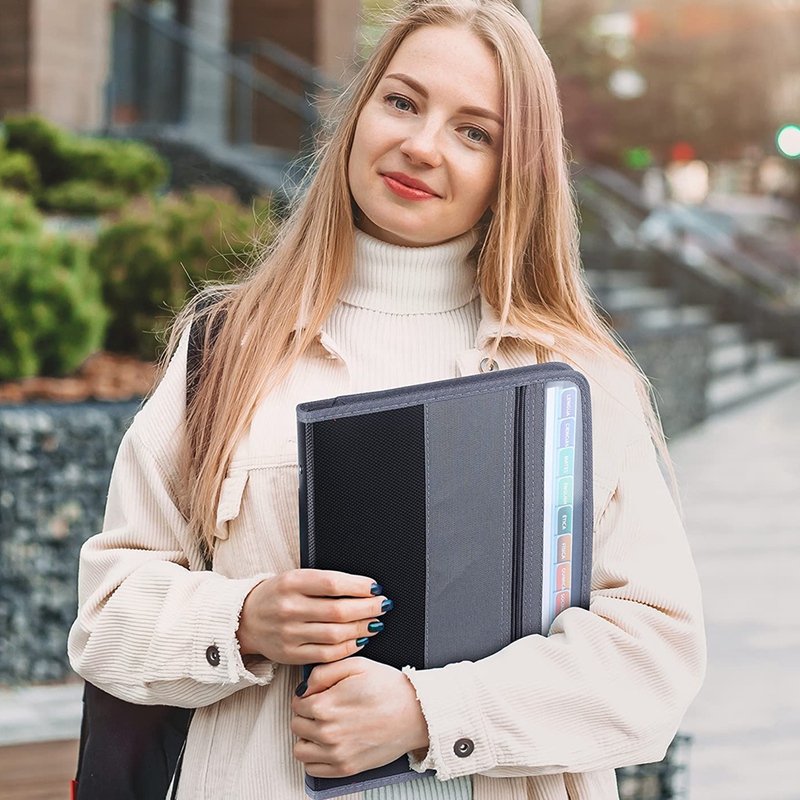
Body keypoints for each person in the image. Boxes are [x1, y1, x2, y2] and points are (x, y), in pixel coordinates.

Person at [68, 1, 705, 798]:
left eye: (475, 132)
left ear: (518, 171)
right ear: (359, 113)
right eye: (402, 102)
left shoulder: (575, 379)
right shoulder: (225, 347)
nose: (421, 145)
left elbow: (655, 655)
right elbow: (106, 616)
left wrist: (427, 711)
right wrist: (242, 620)